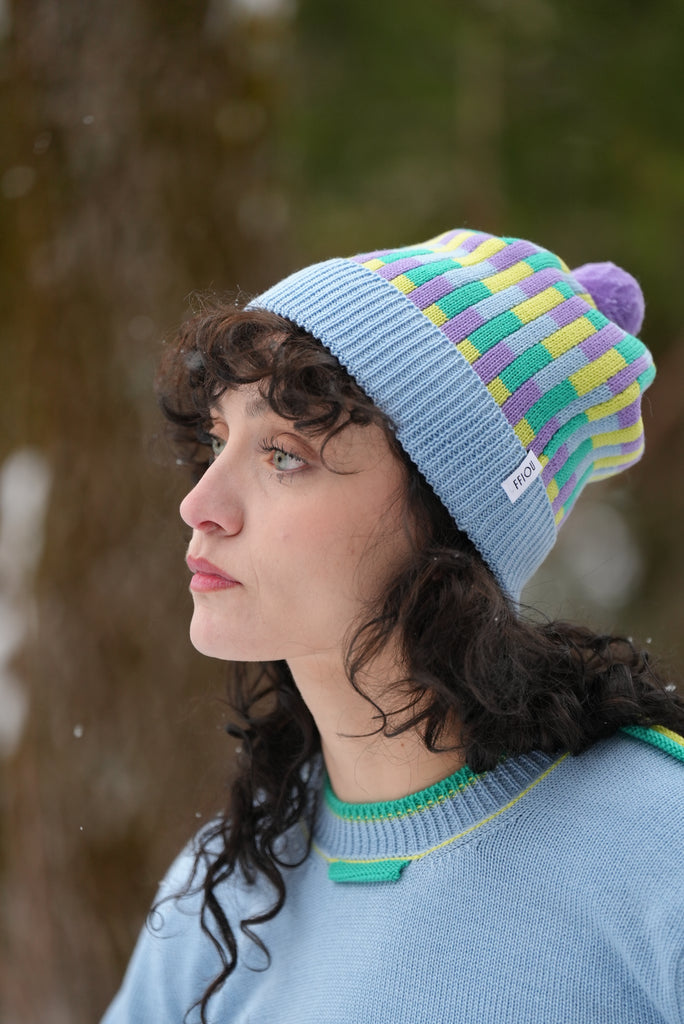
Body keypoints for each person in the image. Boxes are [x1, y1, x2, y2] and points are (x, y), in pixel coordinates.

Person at [102, 227, 684, 1024]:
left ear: (446, 523)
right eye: (217, 440)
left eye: (284, 454)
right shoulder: (222, 894)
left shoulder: (658, 850)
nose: (199, 503)